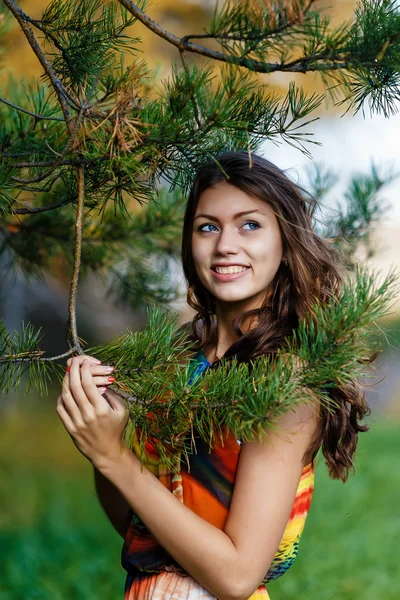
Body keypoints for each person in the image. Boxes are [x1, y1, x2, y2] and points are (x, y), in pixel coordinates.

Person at [57, 152, 370, 600]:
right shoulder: (178, 359)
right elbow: (138, 526)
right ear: (190, 243)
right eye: (208, 226)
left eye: (249, 225)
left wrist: (116, 459)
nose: (225, 244)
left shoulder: (285, 380)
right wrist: (104, 438)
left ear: (286, 243)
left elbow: (237, 576)